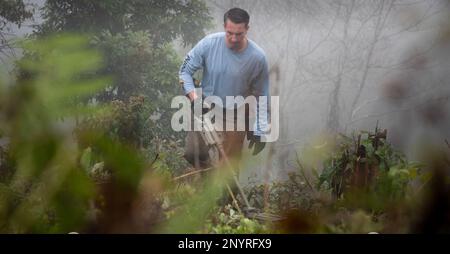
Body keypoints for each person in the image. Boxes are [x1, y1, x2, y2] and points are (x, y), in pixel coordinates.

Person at [179, 7, 270, 172]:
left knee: (229, 171)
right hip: (205, 107)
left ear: (247, 29)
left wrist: (259, 129)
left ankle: (225, 195)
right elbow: (184, 71)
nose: (234, 38)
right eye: (230, 33)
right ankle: (209, 185)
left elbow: (262, 95)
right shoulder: (209, 44)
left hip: (235, 114)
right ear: (224, 27)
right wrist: (194, 98)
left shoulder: (257, 58)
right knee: (193, 153)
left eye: (239, 34)